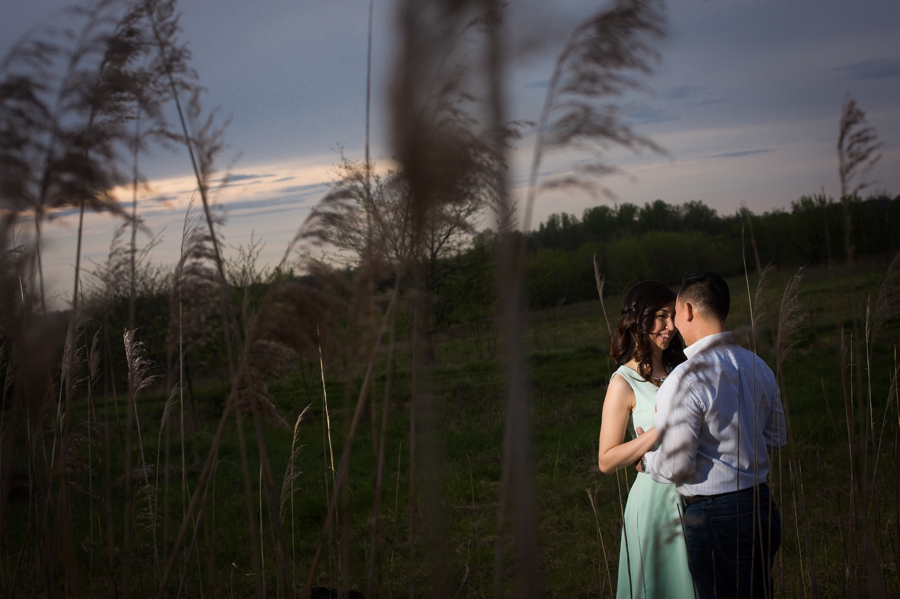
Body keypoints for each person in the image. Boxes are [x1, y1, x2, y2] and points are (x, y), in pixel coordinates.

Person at [638, 271, 786, 599]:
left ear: (688, 311)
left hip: (716, 517)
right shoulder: (758, 365)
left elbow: (677, 465)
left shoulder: (684, 379)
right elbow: (775, 436)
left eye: (675, 313)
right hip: (762, 506)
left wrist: (647, 462)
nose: (673, 324)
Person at [598, 280, 695, 599]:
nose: (670, 326)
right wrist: (657, 432)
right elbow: (606, 459)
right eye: (661, 317)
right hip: (653, 504)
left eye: (673, 316)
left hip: (696, 499)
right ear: (639, 319)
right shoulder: (623, 382)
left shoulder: (681, 367)